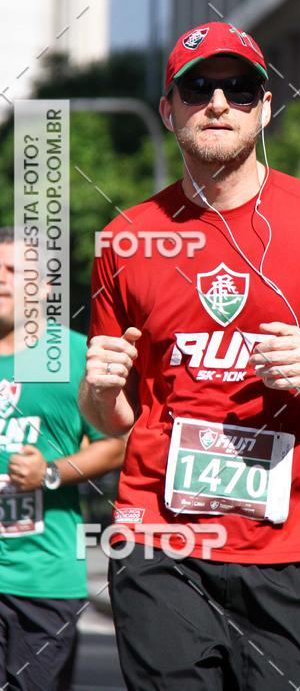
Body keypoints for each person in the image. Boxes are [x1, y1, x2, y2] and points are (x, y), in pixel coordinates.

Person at [79, 20, 300, 690]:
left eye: (240, 88)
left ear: (265, 106)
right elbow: (116, 418)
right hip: (160, 540)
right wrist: (96, 390)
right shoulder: (126, 238)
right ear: (169, 109)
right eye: (197, 88)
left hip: (289, 548)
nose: (218, 103)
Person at [0, 226, 126, 690]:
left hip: (43, 578)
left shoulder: (75, 356)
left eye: (15, 271)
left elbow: (117, 443)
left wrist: (49, 472)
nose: (2, 280)